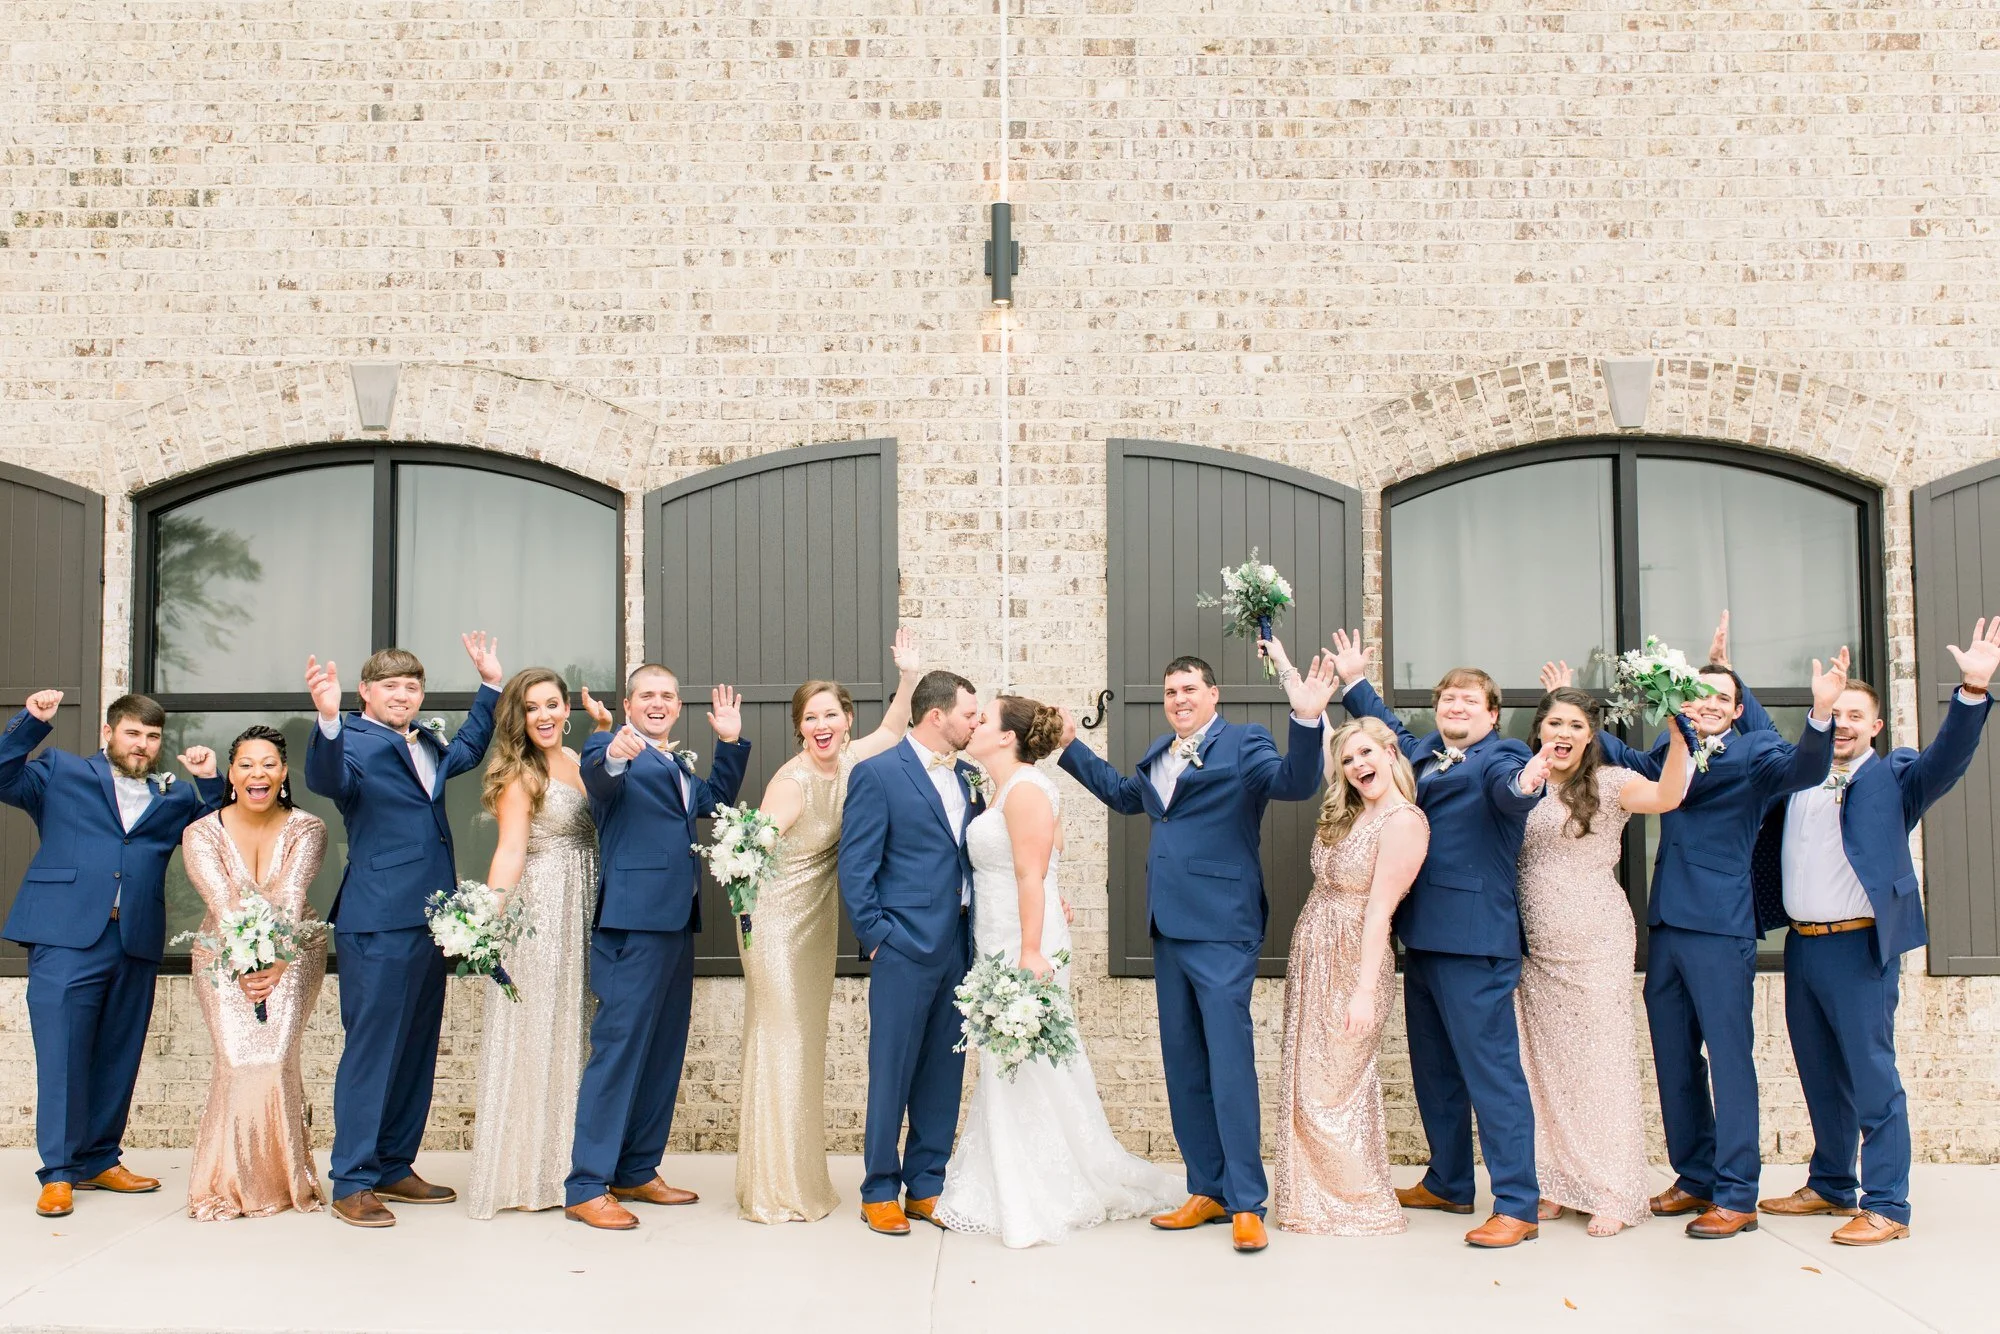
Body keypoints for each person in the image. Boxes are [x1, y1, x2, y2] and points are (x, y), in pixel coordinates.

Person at [1057, 643, 1336, 1254]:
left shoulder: (1245, 743)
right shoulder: (1160, 753)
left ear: (1213, 696)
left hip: (1222, 926)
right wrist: (1066, 746)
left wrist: (1309, 721)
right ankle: (1205, 1188)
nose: (1179, 700)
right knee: (1183, 1062)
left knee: (1228, 1062)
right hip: (1168, 925)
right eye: (1170, 693)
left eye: (1190, 690)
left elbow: (1294, 782)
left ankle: (1245, 1200)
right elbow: (1126, 797)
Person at [1750, 617, 1996, 1245]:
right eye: (1838, 713)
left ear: (1876, 726)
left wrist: (1972, 689)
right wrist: (1728, 676)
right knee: (1817, 1068)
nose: (1846, 724)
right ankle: (1832, 1184)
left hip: (1860, 948)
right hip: (1802, 946)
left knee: (1871, 1076)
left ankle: (1887, 1204)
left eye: (1858, 715)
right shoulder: (1798, 773)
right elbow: (1751, 730)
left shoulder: (1896, 778)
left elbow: (1949, 760)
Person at [1590, 645, 1846, 1239]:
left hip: (1720, 927)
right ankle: (1695, 1176)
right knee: (1674, 1059)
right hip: (1666, 923)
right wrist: (1577, 717)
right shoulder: (1669, 748)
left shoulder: (1757, 752)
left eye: (1721, 699)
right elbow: (1633, 762)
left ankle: (1737, 1194)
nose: (1707, 705)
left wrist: (1821, 713)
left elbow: (1805, 769)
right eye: (1698, 695)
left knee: (1730, 1063)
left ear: (1736, 712)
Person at [1326, 630, 1549, 1248]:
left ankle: (1518, 1204)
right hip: (1421, 938)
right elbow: (1386, 726)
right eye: (1448, 699)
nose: (1456, 707)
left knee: (1492, 1073)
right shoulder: (1424, 752)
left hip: (1474, 943)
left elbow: (1514, 794)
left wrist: (1534, 777)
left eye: (1469, 701)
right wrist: (1353, 683)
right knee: (1435, 1072)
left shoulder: (1501, 759)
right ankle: (1449, 1180)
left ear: (1493, 714)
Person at [936, 695, 1183, 1247]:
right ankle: (1010, 1169)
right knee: (1015, 1059)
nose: (973, 725)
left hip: (1023, 941)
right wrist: (1051, 899)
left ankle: (1034, 1185)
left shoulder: (1025, 791)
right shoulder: (1001, 787)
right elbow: (1049, 863)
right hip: (1001, 932)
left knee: (1023, 1054)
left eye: (983, 719)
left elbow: (1030, 872)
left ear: (1006, 737)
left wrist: (1030, 948)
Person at [304, 634, 503, 1228]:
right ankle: (352, 1179)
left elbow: (468, 749)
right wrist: (327, 719)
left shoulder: (429, 742)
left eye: (412, 687)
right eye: (390, 686)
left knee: (416, 1047)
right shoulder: (353, 744)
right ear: (365, 692)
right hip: (377, 919)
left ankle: (394, 1163)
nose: (403, 694)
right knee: (373, 1048)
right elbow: (326, 777)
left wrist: (490, 685)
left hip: (431, 921)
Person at [2, 691, 222, 1220]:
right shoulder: (58, 772)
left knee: (118, 1054)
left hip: (135, 938)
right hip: (65, 935)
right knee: (63, 1055)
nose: (142, 745)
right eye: (132, 733)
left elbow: (221, 829)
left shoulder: (174, 797)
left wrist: (210, 778)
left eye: (151, 737)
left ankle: (99, 1158)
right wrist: (32, 723)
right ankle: (57, 1173)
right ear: (108, 732)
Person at [735, 630, 923, 1224]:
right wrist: (749, 928)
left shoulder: (850, 761)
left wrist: (911, 675)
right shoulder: (792, 784)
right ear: (799, 728)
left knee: (800, 1047)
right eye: (810, 718)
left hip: (814, 926)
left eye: (831, 715)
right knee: (783, 1044)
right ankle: (777, 1189)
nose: (822, 725)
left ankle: (792, 1175)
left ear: (846, 721)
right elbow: (745, 860)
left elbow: (895, 729)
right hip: (773, 926)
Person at [564, 665, 749, 1230]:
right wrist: (616, 752)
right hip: (629, 924)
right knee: (618, 1050)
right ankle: (586, 1184)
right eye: (648, 695)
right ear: (628, 704)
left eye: (668, 695)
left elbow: (713, 801)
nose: (659, 703)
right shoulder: (606, 746)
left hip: (675, 922)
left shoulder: (674, 764)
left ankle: (636, 1169)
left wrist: (730, 743)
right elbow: (600, 778)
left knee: (663, 1050)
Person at [1513, 687, 1689, 1237]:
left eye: (1574, 726)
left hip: (1596, 943)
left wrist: (1681, 739)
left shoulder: (1612, 784)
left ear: (1591, 737)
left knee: (1601, 1065)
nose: (1562, 733)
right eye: (1554, 723)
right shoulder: (1522, 784)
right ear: (1539, 730)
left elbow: (1668, 796)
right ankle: (1556, 1183)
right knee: (1541, 1068)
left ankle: (1613, 1191)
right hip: (1534, 951)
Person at [837, 670, 984, 1238]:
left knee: (945, 1071)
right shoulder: (877, 774)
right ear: (936, 716)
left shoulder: (971, 776)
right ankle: (878, 1188)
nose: (976, 722)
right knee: (891, 1070)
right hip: (902, 946)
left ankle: (926, 1185)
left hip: (959, 946)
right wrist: (877, 936)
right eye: (969, 714)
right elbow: (857, 866)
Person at [465, 670, 613, 1218]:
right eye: (533, 708)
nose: (545, 715)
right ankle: (532, 1172)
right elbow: (509, 853)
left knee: (579, 1026)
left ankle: (574, 1166)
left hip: (587, 901)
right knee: (539, 1029)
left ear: (566, 708)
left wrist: (605, 726)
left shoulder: (577, 760)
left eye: (552, 704)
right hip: (543, 910)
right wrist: (487, 920)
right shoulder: (518, 775)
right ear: (519, 719)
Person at [1272, 716, 1428, 1236]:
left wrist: (1364, 991)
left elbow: (1381, 911)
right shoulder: (1349, 813)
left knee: (1335, 1086)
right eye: (1347, 760)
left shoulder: (1403, 822)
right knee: (1305, 1078)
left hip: (1354, 960)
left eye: (1366, 753)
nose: (1358, 765)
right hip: (1313, 954)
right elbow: (1322, 735)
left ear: (1390, 752)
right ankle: (1310, 1200)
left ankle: (1357, 1202)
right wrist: (1298, 687)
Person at [182, 725, 329, 1221]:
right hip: (222, 955)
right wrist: (245, 962)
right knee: (238, 1060)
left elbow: (290, 896)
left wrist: (279, 961)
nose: (257, 773)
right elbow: (222, 902)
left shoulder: (308, 828)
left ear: (284, 774)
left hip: (297, 951)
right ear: (231, 774)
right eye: (246, 764)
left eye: (268, 764)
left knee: (276, 1060)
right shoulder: (201, 833)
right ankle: (224, 1183)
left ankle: (288, 1180)